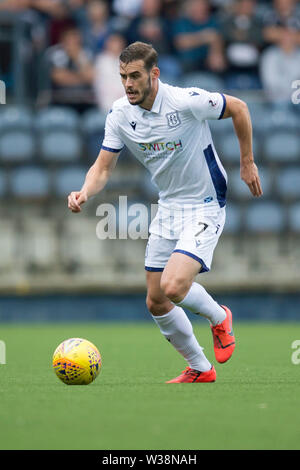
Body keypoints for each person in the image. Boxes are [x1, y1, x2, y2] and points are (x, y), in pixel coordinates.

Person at [68, 42, 263, 383]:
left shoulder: (185, 101)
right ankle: (201, 369)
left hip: (205, 204)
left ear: (154, 74)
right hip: (169, 206)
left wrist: (247, 162)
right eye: (123, 76)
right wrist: (84, 191)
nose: (128, 84)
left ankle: (219, 317)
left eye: (135, 76)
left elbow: (240, 108)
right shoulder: (119, 114)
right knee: (156, 301)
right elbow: (102, 168)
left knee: (174, 286)